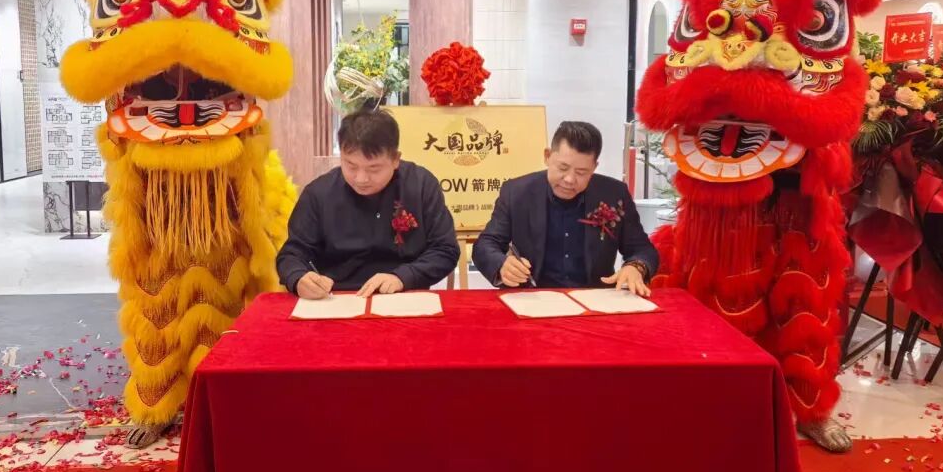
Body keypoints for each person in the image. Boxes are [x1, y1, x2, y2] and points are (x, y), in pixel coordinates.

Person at [277, 110, 459, 298]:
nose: (361, 178)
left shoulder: (421, 186)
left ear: (395, 159)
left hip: (404, 294)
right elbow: (291, 254)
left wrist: (403, 277)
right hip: (336, 298)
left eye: (374, 168)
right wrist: (298, 277)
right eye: (351, 166)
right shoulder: (319, 193)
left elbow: (445, 250)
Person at [472, 121, 658, 295]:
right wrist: (502, 264)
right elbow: (485, 244)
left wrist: (636, 266)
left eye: (581, 172)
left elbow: (642, 249)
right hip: (533, 298)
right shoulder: (517, 192)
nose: (569, 179)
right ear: (547, 156)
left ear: (594, 167)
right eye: (562, 168)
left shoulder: (614, 194)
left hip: (595, 299)